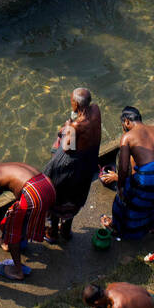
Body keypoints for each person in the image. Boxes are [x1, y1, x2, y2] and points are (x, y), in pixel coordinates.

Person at [105, 105, 154, 238]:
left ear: (127, 122)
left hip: (147, 176)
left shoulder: (127, 137)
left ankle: (117, 227)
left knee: (121, 203)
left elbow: (123, 168)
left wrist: (121, 187)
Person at [42, 88, 102, 242]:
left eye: (72, 102)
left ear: (75, 104)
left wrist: (68, 126)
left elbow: (68, 148)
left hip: (73, 166)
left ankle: (53, 232)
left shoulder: (77, 126)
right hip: (88, 162)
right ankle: (66, 231)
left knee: (58, 197)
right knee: (75, 197)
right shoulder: (96, 110)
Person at [0, 160, 57, 280]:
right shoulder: (4, 166)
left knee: (12, 226)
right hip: (48, 186)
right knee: (22, 217)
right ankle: (20, 243)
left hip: (34, 193)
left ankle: (17, 271)